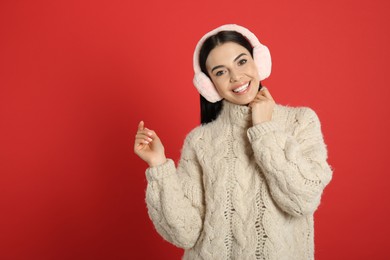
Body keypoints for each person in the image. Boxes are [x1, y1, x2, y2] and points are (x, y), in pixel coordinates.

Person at [134, 24, 332, 260]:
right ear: (208, 85)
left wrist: (264, 129)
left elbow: (303, 200)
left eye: (241, 62)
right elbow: (184, 234)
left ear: (259, 61)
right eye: (220, 72)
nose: (236, 76)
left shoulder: (300, 121)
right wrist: (158, 166)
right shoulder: (200, 141)